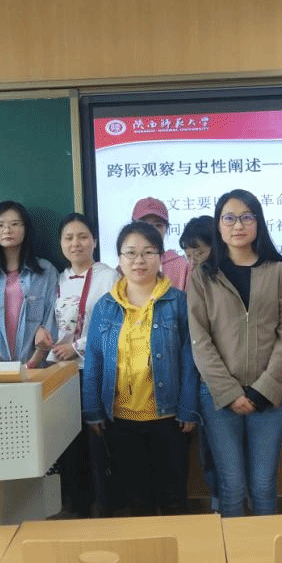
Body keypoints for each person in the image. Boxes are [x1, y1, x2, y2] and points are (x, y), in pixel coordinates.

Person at [188, 189, 282, 518]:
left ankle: (264, 553)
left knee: (263, 485)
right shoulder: (203, 276)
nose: (238, 225)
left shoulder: (279, 272)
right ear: (219, 226)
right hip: (220, 397)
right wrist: (230, 391)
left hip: (269, 395)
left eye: (247, 217)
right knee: (231, 485)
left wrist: (265, 389)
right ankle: (235, 552)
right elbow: (200, 339)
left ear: (258, 222)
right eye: (229, 218)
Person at [82, 221, 200, 515]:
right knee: (136, 499)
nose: (139, 260)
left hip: (169, 418)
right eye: (130, 253)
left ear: (161, 257)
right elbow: (94, 360)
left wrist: (188, 408)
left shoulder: (179, 302)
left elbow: (190, 359)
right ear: (119, 259)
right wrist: (93, 411)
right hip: (120, 418)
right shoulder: (105, 306)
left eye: (148, 252)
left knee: (173, 497)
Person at [47, 213, 119, 517]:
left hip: (96, 369)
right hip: (63, 374)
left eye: (82, 236)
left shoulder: (109, 277)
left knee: (98, 443)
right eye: (68, 238)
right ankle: (76, 507)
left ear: (95, 241)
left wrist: (75, 347)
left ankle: (105, 508)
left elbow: (114, 324)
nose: (75, 243)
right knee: (69, 445)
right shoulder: (59, 279)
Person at [0, 201, 58, 367]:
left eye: (15, 224)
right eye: (0, 225)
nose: (7, 230)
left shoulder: (46, 271)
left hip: (37, 367)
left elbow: (52, 318)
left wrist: (33, 362)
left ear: (26, 228)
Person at [179, 214, 219, 512]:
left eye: (199, 252)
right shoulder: (195, 279)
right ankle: (218, 502)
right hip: (207, 379)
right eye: (188, 253)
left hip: (239, 379)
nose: (192, 260)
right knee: (211, 450)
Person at [132, 197, 190, 290]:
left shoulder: (182, 266)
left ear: (167, 229)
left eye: (158, 225)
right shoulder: (126, 266)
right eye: (143, 225)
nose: (151, 230)